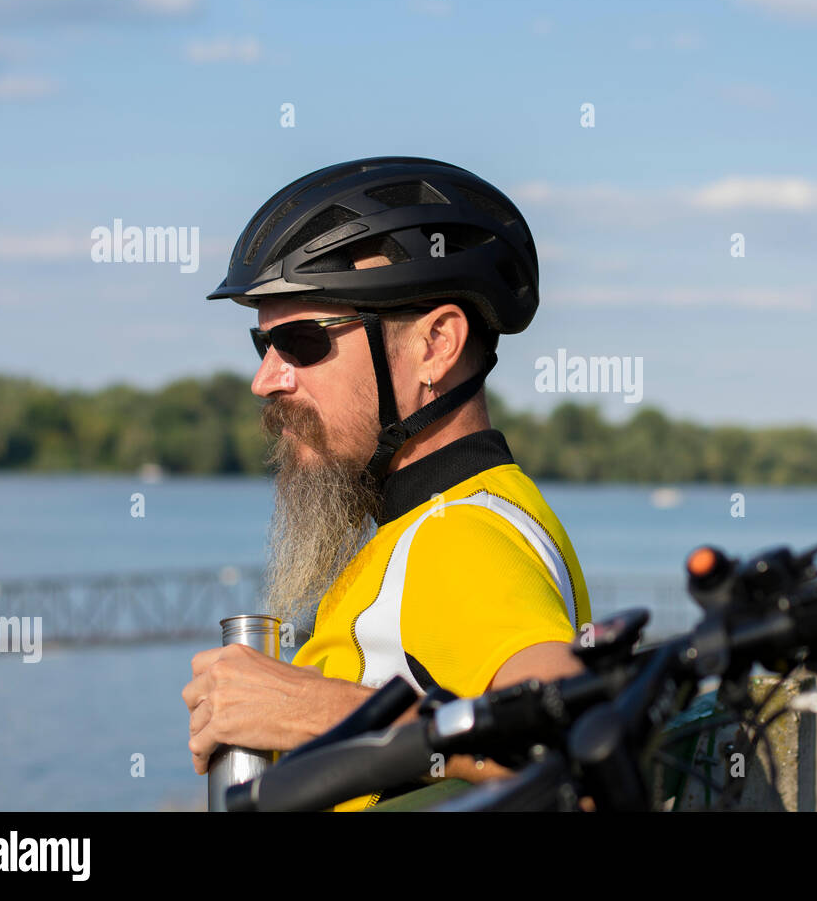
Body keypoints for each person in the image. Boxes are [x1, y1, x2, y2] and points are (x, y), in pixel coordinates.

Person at [181, 157, 592, 809]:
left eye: (303, 343)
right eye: (265, 347)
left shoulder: (457, 538)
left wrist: (320, 711)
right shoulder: (447, 519)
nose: (266, 380)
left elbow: (577, 749)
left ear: (436, 345)